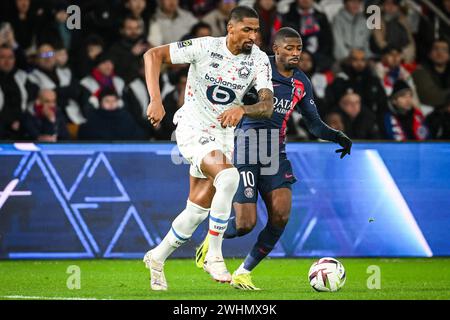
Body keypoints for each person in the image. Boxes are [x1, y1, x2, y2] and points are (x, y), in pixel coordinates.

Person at [195, 28, 353, 290]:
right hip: (245, 148)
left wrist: (338, 136)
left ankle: (244, 272)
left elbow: (314, 125)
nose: (295, 53)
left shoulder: (301, 82)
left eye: (299, 49)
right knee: (245, 224)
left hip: (274, 153)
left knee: (280, 215)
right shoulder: (256, 67)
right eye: (289, 48)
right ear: (276, 49)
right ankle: (209, 243)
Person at [142, 6, 274, 290]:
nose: (252, 36)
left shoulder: (260, 60)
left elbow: (267, 105)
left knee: (197, 210)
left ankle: (156, 257)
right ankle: (214, 255)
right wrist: (155, 99)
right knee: (229, 177)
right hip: (193, 128)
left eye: (256, 30)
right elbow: (153, 55)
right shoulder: (204, 47)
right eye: (246, 29)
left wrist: (243, 108)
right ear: (230, 28)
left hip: (224, 136)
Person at [77, 88, 145, 141]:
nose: (111, 104)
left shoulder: (126, 117)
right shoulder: (94, 118)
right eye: (107, 101)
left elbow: (138, 135)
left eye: (114, 100)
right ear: (100, 103)